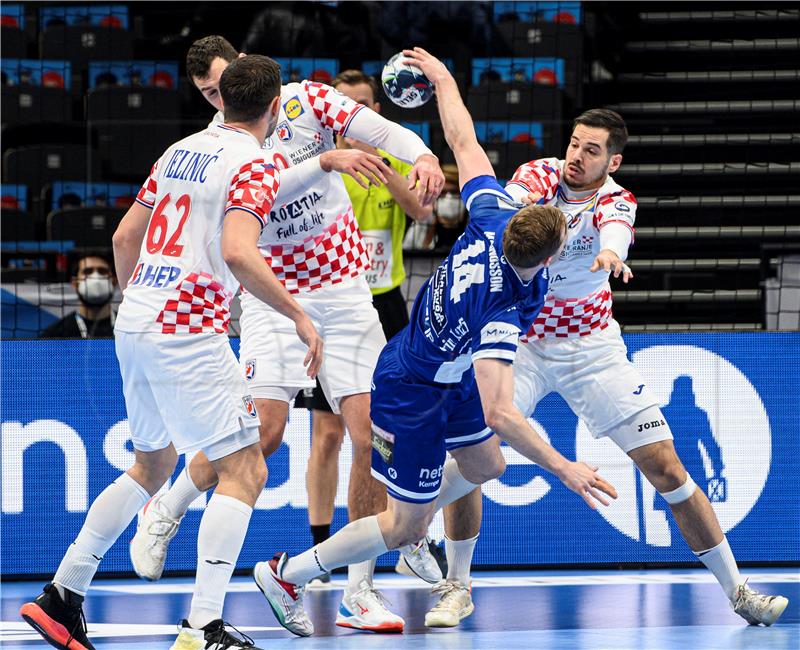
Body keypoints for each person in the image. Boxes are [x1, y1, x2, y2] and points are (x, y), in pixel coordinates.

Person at [252, 47, 617, 638]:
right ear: (550, 257)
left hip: (446, 372)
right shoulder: (501, 307)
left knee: (486, 463)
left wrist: (446, 80)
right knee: (398, 526)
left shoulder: (494, 214)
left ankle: (416, 515)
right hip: (412, 387)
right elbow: (502, 409)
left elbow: (464, 143)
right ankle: (288, 572)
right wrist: (564, 468)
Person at [129, 35, 446, 634]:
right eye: (207, 93)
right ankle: (166, 508)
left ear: (254, 76)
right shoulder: (219, 145)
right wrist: (325, 163)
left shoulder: (309, 103)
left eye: (226, 84)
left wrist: (423, 155)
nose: (220, 99)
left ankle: (360, 590)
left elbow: (380, 132)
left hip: (346, 293)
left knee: (371, 433)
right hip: (274, 301)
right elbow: (264, 197)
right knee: (262, 437)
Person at [439, 108, 790, 627]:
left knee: (667, 466)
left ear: (613, 159)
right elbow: (510, 210)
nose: (577, 157)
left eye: (592, 150)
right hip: (521, 342)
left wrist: (609, 254)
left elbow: (615, 230)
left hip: (591, 349)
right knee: (472, 457)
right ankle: (456, 585)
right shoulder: (539, 175)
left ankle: (739, 591)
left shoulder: (616, 201)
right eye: (575, 145)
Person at [20, 55, 323, 650]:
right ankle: (203, 626)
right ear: (273, 106)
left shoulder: (178, 150)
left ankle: (62, 595)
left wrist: (144, 304)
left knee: (152, 465)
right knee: (246, 468)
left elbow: (123, 237)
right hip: (187, 328)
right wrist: (297, 314)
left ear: (222, 100)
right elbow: (239, 251)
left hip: (136, 318)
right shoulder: (254, 164)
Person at [294, 68, 444, 586]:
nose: (362, 111)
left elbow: (420, 211)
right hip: (327, 305)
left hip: (385, 304)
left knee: (378, 432)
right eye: (350, 103)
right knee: (327, 433)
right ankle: (320, 550)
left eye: (367, 103)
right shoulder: (316, 163)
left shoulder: (389, 158)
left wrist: (385, 164)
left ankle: (387, 546)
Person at [40, 252, 117, 339]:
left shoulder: (129, 327)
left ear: (114, 281)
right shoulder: (55, 335)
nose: (96, 278)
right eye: (88, 271)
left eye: (102, 271)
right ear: (75, 283)